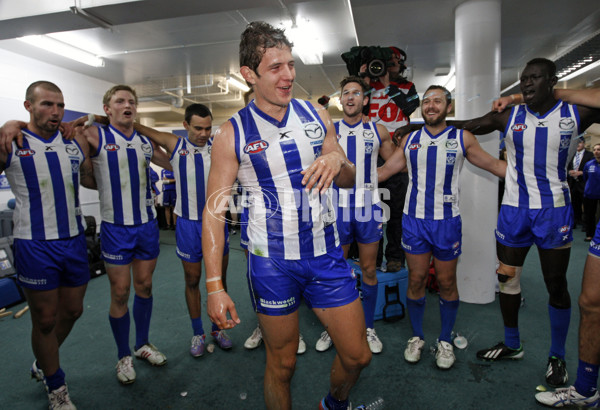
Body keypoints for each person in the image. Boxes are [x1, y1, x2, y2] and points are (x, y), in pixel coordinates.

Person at [202, 21, 371, 410]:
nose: (289, 75)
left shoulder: (315, 114)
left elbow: (347, 179)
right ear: (249, 74)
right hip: (272, 263)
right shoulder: (232, 133)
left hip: (326, 255)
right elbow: (215, 212)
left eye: (291, 64)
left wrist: (335, 157)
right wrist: (214, 286)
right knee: (282, 364)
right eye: (276, 67)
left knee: (358, 356)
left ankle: (334, 403)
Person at [452, 58, 600, 387]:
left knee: (556, 285)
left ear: (552, 81)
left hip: (554, 212)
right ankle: (512, 343)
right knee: (507, 278)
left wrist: (551, 93)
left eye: (535, 78)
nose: (527, 84)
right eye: (523, 80)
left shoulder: (575, 113)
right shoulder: (510, 116)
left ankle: (557, 355)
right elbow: (468, 124)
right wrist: (420, 126)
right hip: (514, 210)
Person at [378, 85, 506, 369]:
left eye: (437, 101)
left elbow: (494, 166)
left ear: (448, 107)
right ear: (422, 108)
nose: (431, 105)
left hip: (447, 223)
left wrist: (532, 176)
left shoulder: (462, 138)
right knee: (416, 280)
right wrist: (346, 174)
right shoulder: (410, 140)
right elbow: (384, 171)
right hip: (414, 222)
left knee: (447, 283)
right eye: (426, 101)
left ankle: (445, 340)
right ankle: (417, 337)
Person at [0, 81, 96, 409]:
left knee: (72, 310)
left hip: (72, 240)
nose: (55, 112)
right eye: (46, 105)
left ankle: (43, 362)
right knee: (43, 319)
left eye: (60, 105)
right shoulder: (11, 141)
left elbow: (109, 127)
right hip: (34, 244)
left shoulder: (72, 140)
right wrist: (6, 125)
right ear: (28, 106)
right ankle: (57, 387)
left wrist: (83, 122)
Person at [81, 85, 172, 385]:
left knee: (144, 286)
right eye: (119, 101)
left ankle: (142, 343)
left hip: (146, 225)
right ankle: (123, 356)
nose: (127, 105)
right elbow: (84, 173)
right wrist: (92, 119)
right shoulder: (95, 135)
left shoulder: (145, 139)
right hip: (115, 227)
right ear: (107, 109)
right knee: (120, 293)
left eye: (132, 101)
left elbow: (172, 161)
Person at [517, 87, 600, 408]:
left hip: (557, 208)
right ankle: (586, 389)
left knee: (569, 290)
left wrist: (542, 92)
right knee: (590, 302)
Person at [129, 103, 234, 356]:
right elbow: (138, 127)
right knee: (192, 280)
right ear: (186, 125)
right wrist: (96, 118)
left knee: (219, 280)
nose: (203, 133)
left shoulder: (218, 146)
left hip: (216, 223)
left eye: (208, 128)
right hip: (187, 224)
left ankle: (217, 328)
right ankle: (198, 332)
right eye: (198, 128)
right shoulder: (175, 145)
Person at [315, 75, 395, 354]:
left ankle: (368, 327)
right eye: (345, 92)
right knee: (336, 271)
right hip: (336, 208)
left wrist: (378, 175)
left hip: (369, 208)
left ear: (365, 99)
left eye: (356, 93)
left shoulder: (378, 130)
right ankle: (332, 328)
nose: (350, 97)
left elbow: (397, 159)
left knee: (370, 269)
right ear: (341, 99)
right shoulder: (330, 131)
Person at [361, 47, 419, 273]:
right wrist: (364, 77)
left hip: (397, 152)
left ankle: (395, 256)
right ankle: (372, 256)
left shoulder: (407, 87)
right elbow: (356, 104)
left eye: (394, 61)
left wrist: (387, 86)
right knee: (372, 209)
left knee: (396, 208)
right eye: (386, 61)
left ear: (402, 64)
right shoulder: (368, 87)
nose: (389, 64)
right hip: (371, 152)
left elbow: (410, 107)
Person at [568, 139, 593, 230]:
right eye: (576, 143)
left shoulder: (590, 155)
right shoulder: (571, 154)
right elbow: (567, 167)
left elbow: (592, 168)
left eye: (580, 143)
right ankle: (574, 221)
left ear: (584, 144)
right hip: (573, 184)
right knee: (574, 204)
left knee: (586, 205)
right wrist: (569, 172)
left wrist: (582, 172)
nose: (577, 144)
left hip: (584, 183)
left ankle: (586, 225)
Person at [583, 144, 600, 242]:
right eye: (594, 150)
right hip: (590, 194)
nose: (596, 151)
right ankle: (590, 235)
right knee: (589, 215)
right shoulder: (589, 164)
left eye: (598, 149)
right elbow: (585, 177)